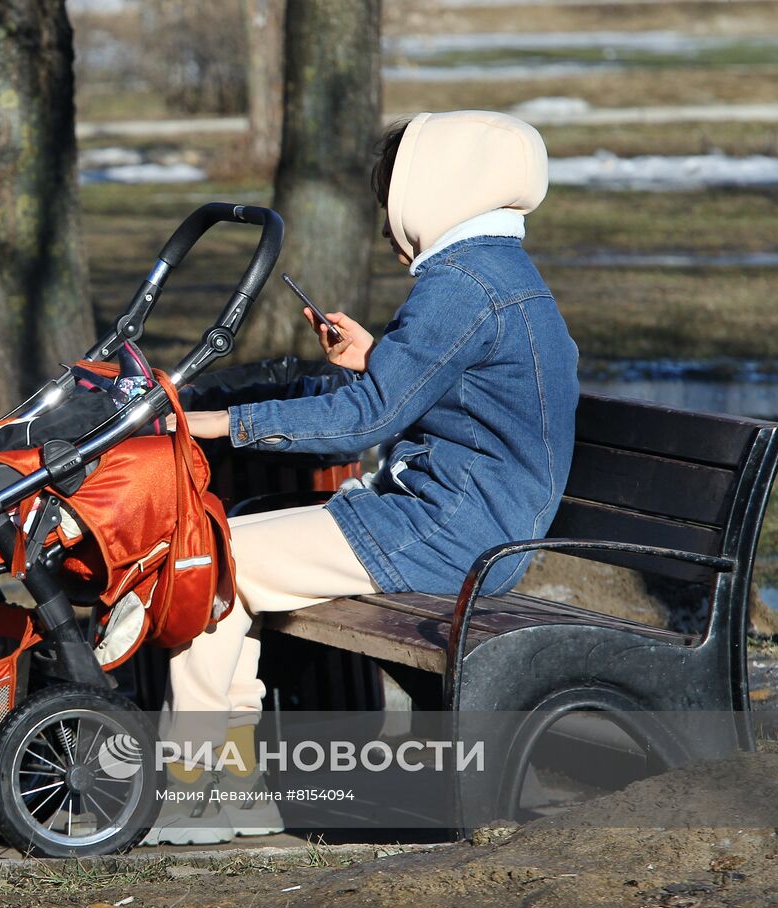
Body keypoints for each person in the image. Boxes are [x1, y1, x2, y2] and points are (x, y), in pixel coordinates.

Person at [141, 110, 580, 846]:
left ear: (438, 189)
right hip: (471, 522)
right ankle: (224, 785)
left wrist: (215, 421)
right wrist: (381, 359)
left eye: (391, 201)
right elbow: (465, 393)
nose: (385, 226)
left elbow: (363, 421)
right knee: (223, 548)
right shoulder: (499, 274)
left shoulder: (461, 286)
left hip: (451, 532)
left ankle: (203, 789)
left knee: (209, 556)